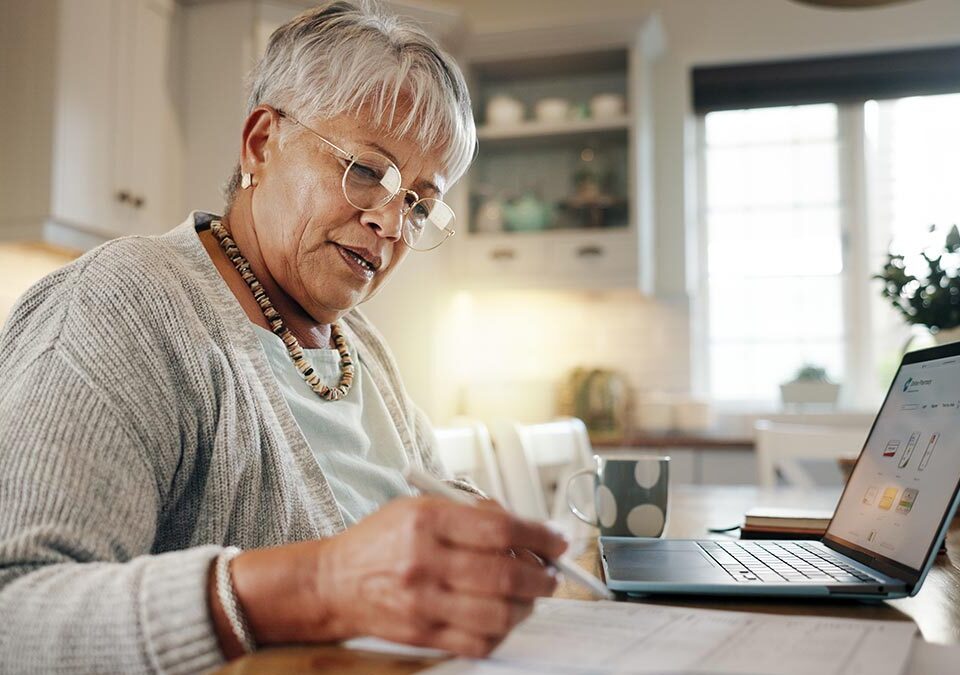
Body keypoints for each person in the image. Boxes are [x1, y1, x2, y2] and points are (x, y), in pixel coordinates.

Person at [0, 2, 567, 672]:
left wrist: (477, 546)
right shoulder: (123, 304)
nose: (391, 222)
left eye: (418, 202)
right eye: (368, 172)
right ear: (260, 144)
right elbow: (17, 611)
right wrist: (313, 586)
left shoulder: (363, 351)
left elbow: (427, 505)